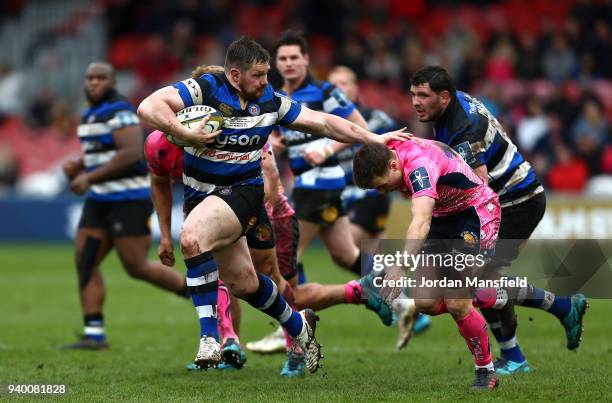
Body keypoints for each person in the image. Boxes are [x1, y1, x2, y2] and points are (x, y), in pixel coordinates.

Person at [137, 37, 407, 372]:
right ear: (235, 75)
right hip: (201, 197)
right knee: (244, 284)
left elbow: (323, 122)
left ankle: (211, 339)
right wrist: (184, 132)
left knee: (191, 238)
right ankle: (299, 328)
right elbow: (148, 106)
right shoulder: (207, 88)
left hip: (244, 194)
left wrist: (374, 138)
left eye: (267, 74)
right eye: (259, 74)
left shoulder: (271, 101)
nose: (267, 81)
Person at [406, 65, 588, 375]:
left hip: (515, 201)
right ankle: (549, 318)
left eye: (423, 95)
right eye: (413, 95)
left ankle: (525, 344)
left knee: (478, 282)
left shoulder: (463, 129)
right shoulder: (452, 106)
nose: (415, 102)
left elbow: (479, 187)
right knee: (479, 281)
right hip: (507, 197)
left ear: (444, 96)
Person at [353, 139, 501, 390]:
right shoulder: (388, 147)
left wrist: (400, 266)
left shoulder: (418, 167)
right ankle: (484, 291)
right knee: (425, 303)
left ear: (392, 165)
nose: (382, 191)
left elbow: (420, 221)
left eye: (381, 185)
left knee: (456, 302)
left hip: (473, 214)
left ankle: (485, 370)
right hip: (442, 217)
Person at [61, 62, 188, 350]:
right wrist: (79, 163)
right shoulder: (90, 112)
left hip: (127, 200)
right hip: (99, 200)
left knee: (136, 266)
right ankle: (94, 333)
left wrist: (88, 177)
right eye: (90, 77)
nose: (94, 82)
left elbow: (131, 153)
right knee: (85, 262)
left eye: (100, 78)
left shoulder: (119, 110)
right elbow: (100, 149)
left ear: (113, 82)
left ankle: (200, 294)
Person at [328, 65, 432, 339]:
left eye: (345, 83)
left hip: (371, 195)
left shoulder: (377, 121)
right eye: (334, 85)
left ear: (356, 89)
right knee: (370, 255)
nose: (340, 89)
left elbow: (395, 160)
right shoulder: (325, 125)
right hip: (343, 196)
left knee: (345, 248)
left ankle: (387, 293)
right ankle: (404, 302)